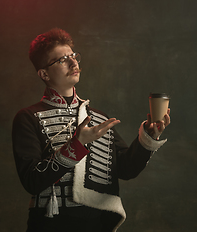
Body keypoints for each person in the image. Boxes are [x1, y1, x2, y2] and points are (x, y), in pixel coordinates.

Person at [12, 28, 170, 232]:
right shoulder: (27, 118)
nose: (73, 63)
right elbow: (32, 181)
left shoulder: (97, 118)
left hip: (96, 224)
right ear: (44, 73)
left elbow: (127, 169)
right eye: (61, 60)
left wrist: (148, 137)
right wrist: (76, 145)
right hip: (50, 223)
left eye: (73, 56)